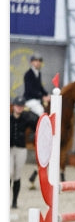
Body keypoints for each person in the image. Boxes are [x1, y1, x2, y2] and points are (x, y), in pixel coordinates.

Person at [24, 53, 49, 189]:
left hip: (37, 98)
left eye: (39, 61)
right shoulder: (28, 74)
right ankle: (37, 134)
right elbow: (31, 90)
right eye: (35, 60)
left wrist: (47, 95)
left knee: (45, 108)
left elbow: (40, 88)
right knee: (41, 112)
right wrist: (42, 97)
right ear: (31, 62)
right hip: (30, 99)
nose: (37, 62)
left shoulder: (38, 74)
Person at [10, 96, 38, 209]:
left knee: (17, 175)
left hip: (21, 149)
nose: (19, 108)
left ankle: (14, 201)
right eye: (17, 106)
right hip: (9, 150)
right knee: (9, 172)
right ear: (14, 106)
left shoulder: (26, 118)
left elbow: (36, 124)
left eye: (21, 106)